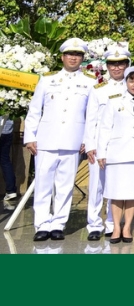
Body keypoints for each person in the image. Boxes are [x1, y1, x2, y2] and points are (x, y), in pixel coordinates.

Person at [24, 37, 93, 242]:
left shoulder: (89, 82)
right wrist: (30, 137)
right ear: (62, 57)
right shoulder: (47, 79)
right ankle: (42, 224)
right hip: (46, 141)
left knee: (65, 186)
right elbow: (34, 110)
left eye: (78, 55)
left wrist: (87, 140)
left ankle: (58, 224)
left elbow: (91, 116)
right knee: (43, 184)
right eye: (70, 54)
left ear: (82, 58)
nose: (73, 58)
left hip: (73, 141)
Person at [96, 66, 134, 243]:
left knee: (133, 193)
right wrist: (101, 152)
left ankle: (127, 227)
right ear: (126, 82)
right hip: (117, 153)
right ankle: (116, 228)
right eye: (131, 80)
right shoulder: (114, 101)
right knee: (116, 193)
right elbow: (105, 128)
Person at [83, 44, 130, 240]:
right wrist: (90, 145)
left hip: (122, 146)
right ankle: (94, 224)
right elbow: (90, 119)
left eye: (121, 64)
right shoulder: (98, 89)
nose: (117, 68)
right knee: (96, 186)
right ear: (107, 66)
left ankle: (112, 223)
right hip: (100, 145)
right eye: (113, 64)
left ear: (128, 65)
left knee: (116, 187)